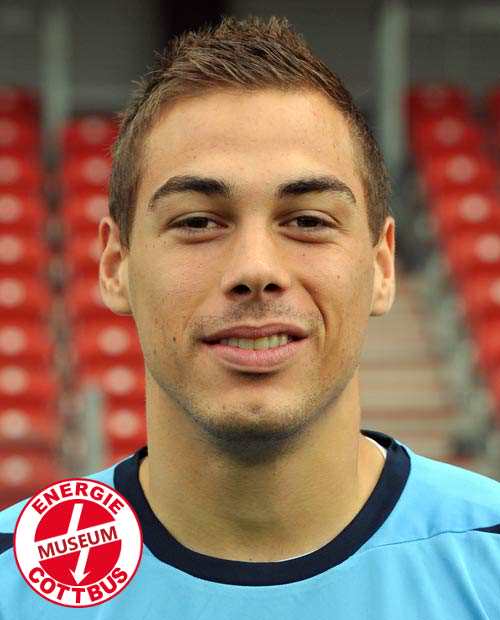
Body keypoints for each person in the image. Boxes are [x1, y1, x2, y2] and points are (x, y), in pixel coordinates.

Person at [1, 15, 499, 619]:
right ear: (115, 265)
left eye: (308, 221)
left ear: (382, 265)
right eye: (197, 222)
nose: (256, 269)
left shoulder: (487, 560)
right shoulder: (12, 583)